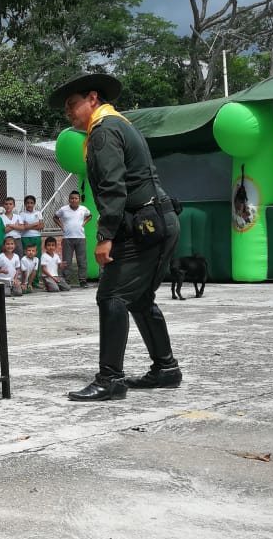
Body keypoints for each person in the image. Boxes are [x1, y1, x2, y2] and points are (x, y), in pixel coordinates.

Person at [50, 71, 181, 401]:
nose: (68, 112)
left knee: (111, 296)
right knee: (139, 298)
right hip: (158, 221)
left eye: (72, 104)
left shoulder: (104, 130)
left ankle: (110, 379)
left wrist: (105, 235)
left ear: (93, 99)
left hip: (143, 225)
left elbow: (112, 186)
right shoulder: (120, 124)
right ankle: (166, 369)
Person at [54, 190, 92, 288]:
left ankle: (83, 281)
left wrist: (84, 223)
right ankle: (66, 281)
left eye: (76, 198)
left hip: (80, 238)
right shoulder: (63, 209)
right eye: (72, 198)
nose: (74, 200)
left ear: (79, 200)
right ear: (69, 199)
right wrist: (61, 226)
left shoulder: (83, 209)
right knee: (67, 261)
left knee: (82, 261)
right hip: (67, 238)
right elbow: (55, 217)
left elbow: (90, 216)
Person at [18, 195, 43, 286]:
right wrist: (35, 224)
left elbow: (41, 226)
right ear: (25, 204)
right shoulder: (22, 214)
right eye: (27, 203)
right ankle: (25, 281)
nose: (29, 205)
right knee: (26, 259)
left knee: (36, 259)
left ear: (34, 204)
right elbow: (23, 227)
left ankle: (35, 281)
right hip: (25, 238)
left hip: (36, 237)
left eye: (31, 203)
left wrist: (28, 226)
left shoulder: (38, 213)